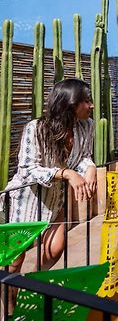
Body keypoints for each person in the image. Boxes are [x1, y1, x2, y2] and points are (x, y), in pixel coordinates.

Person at [4, 78, 96, 284]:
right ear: (71, 104)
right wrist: (67, 174)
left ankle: (32, 284)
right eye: (86, 101)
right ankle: (8, 306)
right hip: (26, 202)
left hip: (55, 201)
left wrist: (89, 167)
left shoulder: (86, 126)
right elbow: (27, 169)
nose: (91, 105)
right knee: (14, 261)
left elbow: (83, 156)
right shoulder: (36, 128)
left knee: (55, 249)